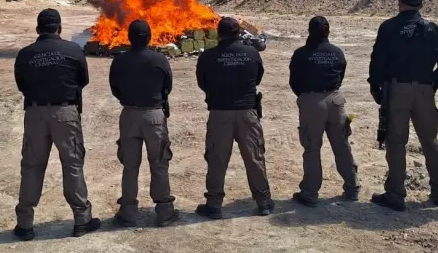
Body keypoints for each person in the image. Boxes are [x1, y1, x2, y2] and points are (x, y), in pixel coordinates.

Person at [13, 9, 100, 240]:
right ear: (59, 28)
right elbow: (83, 80)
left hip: (35, 114)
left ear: (38, 30)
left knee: (32, 166)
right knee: (72, 165)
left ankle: (25, 225)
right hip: (66, 113)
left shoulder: (25, 54)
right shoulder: (73, 50)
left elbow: (21, 84)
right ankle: (82, 220)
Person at [195, 16, 274, 218]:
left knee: (216, 159)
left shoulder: (208, 57)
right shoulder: (252, 53)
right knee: (254, 157)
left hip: (219, 113)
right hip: (248, 112)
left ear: (218, 34)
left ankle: (213, 205)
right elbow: (257, 78)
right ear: (238, 33)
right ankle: (263, 202)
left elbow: (202, 83)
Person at [368, 0, 438, 211]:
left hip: (397, 89)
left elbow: (377, 59)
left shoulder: (389, 27)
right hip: (426, 90)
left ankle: (395, 194)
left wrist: (375, 86)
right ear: (421, 5)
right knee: (430, 142)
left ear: (400, 3)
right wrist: (434, 82)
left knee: (396, 143)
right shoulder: (432, 29)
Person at [109, 19, 179, 228]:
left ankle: (128, 213)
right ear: (149, 38)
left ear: (129, 38)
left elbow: (114, 88)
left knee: (130, 165)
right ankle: (165, 212)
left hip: (129, 115)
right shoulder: (160, 60)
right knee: (159, 163)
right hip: (154, 116)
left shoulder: (119, 61)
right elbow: (168, 86)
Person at [289, 16, 360, 207]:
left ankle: (310, 193)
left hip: (312, 102)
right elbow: (340, 75)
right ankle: (352, 188)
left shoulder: (301, 54)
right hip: (336, 100)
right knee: (342, 144)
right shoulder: (337, 52)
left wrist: (306, 97)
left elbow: (294, 81)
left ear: (309, 31)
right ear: (327, 31)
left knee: (312, 148)